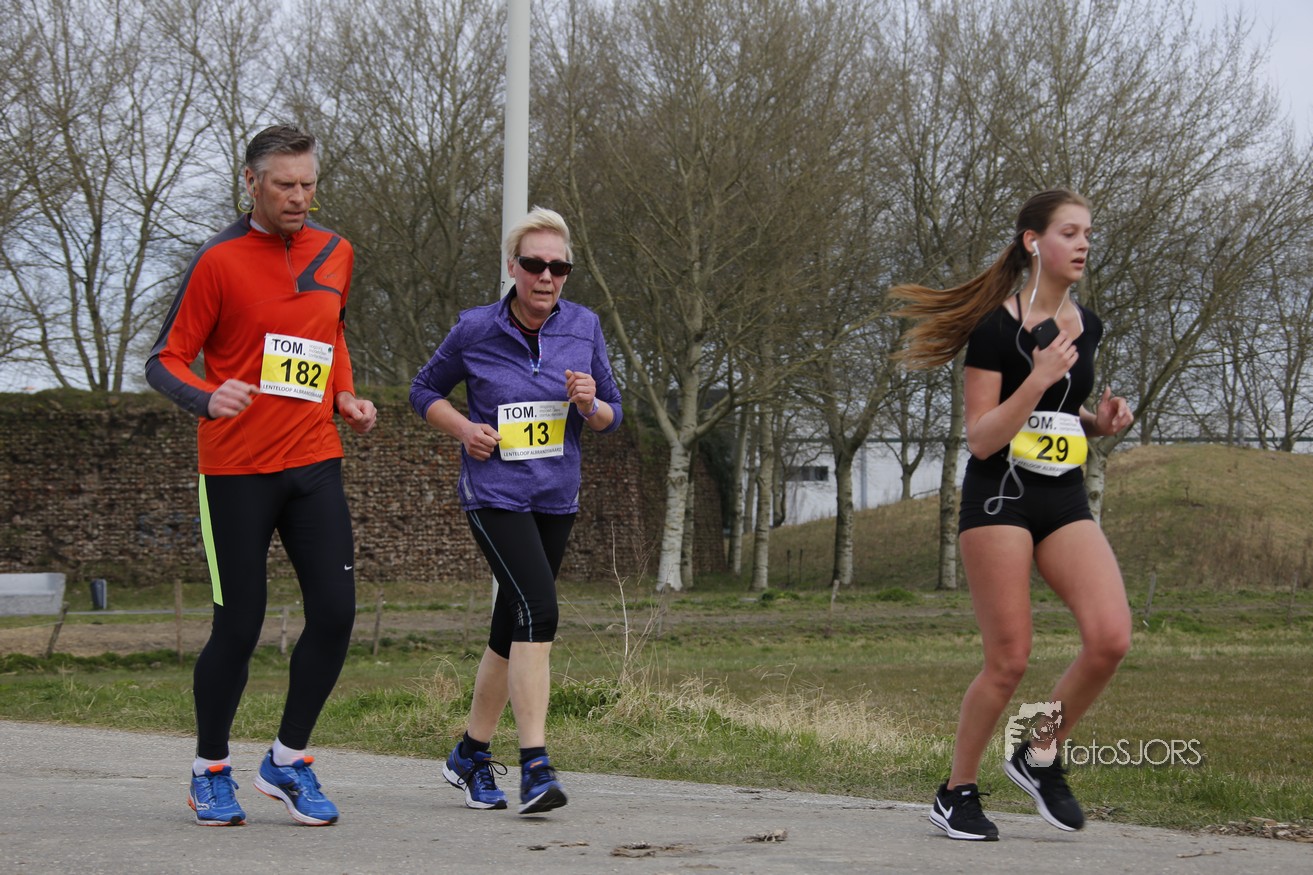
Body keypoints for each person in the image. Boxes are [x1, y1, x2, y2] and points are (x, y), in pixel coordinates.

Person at [145, 124, 376, 827]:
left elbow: (331, 332)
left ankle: (287, 758)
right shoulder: (217, 261)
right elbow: (164, 359)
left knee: (335, 613)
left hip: (314, 461)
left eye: (308, 184)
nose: (299, 197)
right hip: (236, 471)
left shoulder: (336, 251)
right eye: (284, 185)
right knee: (238, 625)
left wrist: (345, 395)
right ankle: (209, 770)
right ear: (251, 182)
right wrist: (206, 396)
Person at [889, 189, 1134, 841]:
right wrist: (1036, 375)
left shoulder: (1088, 325)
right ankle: (955, 793)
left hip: (1062, 495)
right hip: (999, 497)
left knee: (1110, 637)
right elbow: (981, 436)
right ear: (1033, 242)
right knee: (1009, 659)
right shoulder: (994, 329)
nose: (1083, 244)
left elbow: (1059, 410)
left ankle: (1035, 750)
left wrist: (1099, 422)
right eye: (1069, 232)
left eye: (1088, 233)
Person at [410, 206, 622, 815]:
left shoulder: (583, 326)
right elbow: (423, 390)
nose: (546, 276)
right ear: (513, 267)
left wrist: (590, 404)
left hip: (556, 498)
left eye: (559, 267)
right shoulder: (474, 329)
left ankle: (471, 753)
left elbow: (612, 414)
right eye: (534, 264)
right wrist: (462, 428)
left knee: (512, 628)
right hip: (495, 493)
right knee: (539, 611)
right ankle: (535, 765)